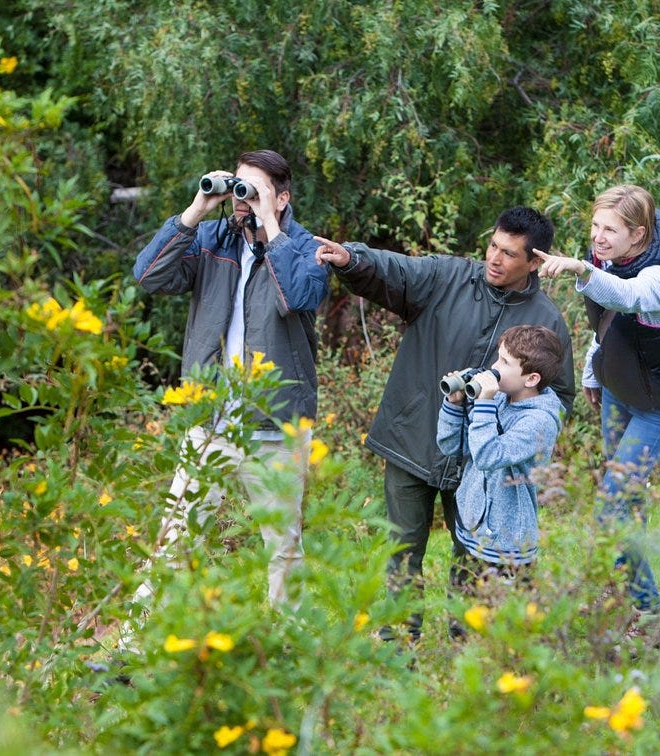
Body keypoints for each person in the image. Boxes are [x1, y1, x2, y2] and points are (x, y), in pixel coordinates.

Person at [314, 207, 575, 639]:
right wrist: (352, 258)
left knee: (472, 556)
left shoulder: (547, 321)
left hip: (480, 462)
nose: (494, 258)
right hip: (412, 439)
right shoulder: (448, 277)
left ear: (535, 262)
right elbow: (395, 271)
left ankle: (466, 643)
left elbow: (556, 396)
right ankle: (398, 643)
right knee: (402, 550)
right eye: (493, 245)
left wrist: (512, 433)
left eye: (509, 254)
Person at [131, 149, 328, 610]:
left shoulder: (306, 247)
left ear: (282, 198)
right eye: (239, 187)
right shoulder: (210, 240)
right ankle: (129, 650)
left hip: (276, 424)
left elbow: (297, 297)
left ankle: (289, 649)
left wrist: (271, 229)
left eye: (254, 191)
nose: (243, 200)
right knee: (175, 540)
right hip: (210, 420)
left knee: (282, 548)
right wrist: (198, 209)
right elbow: (149, 276)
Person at [535, 184, 660, 615]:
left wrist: (579, 269)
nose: (598, 237)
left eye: (610, 229)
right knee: (626, 499)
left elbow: (625, 299)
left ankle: (645, 609)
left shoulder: (659, 280)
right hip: (618, 391)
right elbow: (607, 327)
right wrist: (597, 370)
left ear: (639, 233)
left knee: (612, 503)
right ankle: (625, 597)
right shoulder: (608, 260)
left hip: (659, 405)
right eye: (595, 225)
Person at [436, 325, 565, 593]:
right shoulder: (501, 399)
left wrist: (484, 403)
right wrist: (454, 404)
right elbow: (452, 446)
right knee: (461, 614)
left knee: (501, 627)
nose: (494, 367)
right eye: (498, 357)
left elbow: (487, 455)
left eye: (505, 362)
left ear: (531, 379)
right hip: (472, 532)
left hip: (507, 545)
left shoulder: (539, 422)